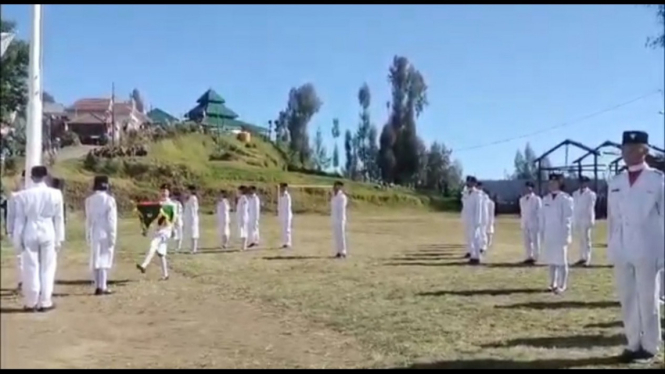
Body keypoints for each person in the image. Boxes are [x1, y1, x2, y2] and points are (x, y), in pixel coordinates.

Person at [607, 130, 663, 363]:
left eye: (634, 148)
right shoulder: (616, 181)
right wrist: (612, 246)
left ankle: (650, 346)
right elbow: (612, 217)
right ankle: (632, 343)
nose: (628, 153)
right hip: (622, 246)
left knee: (648, 298)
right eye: (625, 149)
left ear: (645, 150)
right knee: (628, 297)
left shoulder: (657, 180)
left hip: (648, 245)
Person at [12, 166, 65, 312]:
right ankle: (45, 300)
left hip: (30, 228)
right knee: (48, 267)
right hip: (48, 229)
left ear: (31, 176)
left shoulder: (23, 195)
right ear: (45, 176)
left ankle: (31, 301)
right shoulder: (55, 194)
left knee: (30, 267)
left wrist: (17, 239)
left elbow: (20, 220)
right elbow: (59, 218)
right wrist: (59, 238)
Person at [539, 173, 573, 294]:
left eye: (554, 182)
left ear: (560, 184)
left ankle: (562, 284)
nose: (552, 185)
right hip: (549, 233)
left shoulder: (566, 199)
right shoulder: (545, 199)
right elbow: (542, 218)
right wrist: (542, 233)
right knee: (551, 260)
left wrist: (566, 235)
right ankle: (552, 283)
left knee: (561, 260)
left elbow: (567, 219)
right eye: (550, 182)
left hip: (560, 234)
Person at [84, 175, 118, 295]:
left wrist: (87, 234)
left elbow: (88, 219)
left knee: (95, 258)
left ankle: (97, 284)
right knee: (104, 258)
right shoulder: (109, 200)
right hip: (105, 231)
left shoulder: (89, 200)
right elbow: (111, 220)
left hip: (94, 231)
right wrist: (113, 235)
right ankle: (102, 286)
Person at [136, 184, 177, 280]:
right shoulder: (157, 204)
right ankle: (165, 274)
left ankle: (144, 265)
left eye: (166, 191)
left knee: (153, 245)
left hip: (165, 231)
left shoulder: (171, 205)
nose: (164, 193)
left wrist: (173, 229)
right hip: (157, 230)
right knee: (161, 253)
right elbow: (152, 217)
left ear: (169, 192)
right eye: (162, 191)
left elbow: (173, 218)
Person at [6, 170, 25, 291]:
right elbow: (11, 215)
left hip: (20, 227)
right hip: (20, 227)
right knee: (21, 256)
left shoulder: (16, 196)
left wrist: (10, 230)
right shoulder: (15, 196)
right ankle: (23, 280)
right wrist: (10, 230)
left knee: (21, 257)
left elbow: (10, 215)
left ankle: (24, 281)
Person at [572, 176, 597, 267]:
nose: (582, 184)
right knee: (581, 239)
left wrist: (590, 220)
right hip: (578, 218)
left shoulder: (591, 194)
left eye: (584, 183)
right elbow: (574, 208)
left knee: (586, 239)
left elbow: (590, 208)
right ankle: (581, 256)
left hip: (586, 218)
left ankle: (587, 258)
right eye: (581, 182)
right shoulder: (575, 194)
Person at [461, 176, 483, 264]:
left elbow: (479, 208)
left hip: (474, 219)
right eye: (467, 182)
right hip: (467, 218)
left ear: (474, 183)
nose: (468, 183)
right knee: (469, 238)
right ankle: (472, 254)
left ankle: (476, 257)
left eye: (470, 182)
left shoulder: (477, 194)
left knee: (475, 238)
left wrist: (478, 221)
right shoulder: (466, 193)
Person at [519, 181, 542, 265]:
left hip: (534, 222)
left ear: (532, 188)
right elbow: (522, 212)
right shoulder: (522, 199)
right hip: (525, 222)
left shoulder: (537, 199)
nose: (527, 189)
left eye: (529, 187)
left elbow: (539, 212)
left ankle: (536, 256)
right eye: (526, 187)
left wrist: (539, 223)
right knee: (527, 241)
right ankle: (529, 256)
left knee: (535, 240)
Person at [331, 181, 348, 258]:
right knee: (337, 235)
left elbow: (340, 208)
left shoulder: (342, 197)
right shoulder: (334, 196)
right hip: (335, 217)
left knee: (341, 235)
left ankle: (343, 251)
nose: (334, 188)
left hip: (340, 218)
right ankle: (338, 251)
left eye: (336, 186)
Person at [183, 185, 200, 254]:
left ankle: (194, 249)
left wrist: (193, 217)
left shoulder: (193, 198)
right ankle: (192, 248)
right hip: (189, 217)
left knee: (194, 233)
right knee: (191, 233)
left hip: (193, 218)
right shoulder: (189, 198)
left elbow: (195, 209)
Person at [476, 182, 490, 254]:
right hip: (477, 216)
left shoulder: (484, 196)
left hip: (484, 216)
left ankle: (483, 246)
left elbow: (486, 207)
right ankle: (478, 245)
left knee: (483, 231)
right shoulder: (475, 194)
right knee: (478, 232)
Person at [278, 183, 293, 249]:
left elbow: (288, 207)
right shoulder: (281, 195)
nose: (282, 189)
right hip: (282, 215)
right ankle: (284, 242)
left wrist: (285, 215)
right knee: (283, 229)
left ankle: (288, 242)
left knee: (287, 229)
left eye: (283, 187)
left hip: (287, 215)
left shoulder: (287, 196)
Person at [236, 185, 249, 250]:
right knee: (242, 231)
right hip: (241, 217)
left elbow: (244, 209)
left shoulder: (244, 198)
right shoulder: (240, 198)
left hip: (243, 217)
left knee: (244, 231)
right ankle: (242, 245)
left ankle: (244, 246)